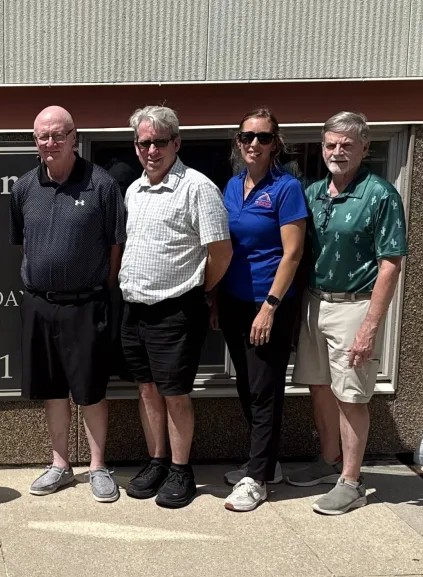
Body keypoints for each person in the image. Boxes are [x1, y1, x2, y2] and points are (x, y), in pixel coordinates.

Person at [288, 112, 408, 515]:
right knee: (319, 386)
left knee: (351, 396)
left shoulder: (381, 194)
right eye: (330, 144)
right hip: (314, 301)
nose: (337, 151)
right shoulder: (314, 192)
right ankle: (329, 461)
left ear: (364, 148)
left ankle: (352, 481)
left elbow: (390, 263)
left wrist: (370, 327)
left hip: (355, 305)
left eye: (346, 144)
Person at [9, 105, 127, 501]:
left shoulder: (101, 184)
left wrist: (100, 289)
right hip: (41, 304)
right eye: (43, 136)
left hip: (86, 304)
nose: (50, 143)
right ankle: (60, 464)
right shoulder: (24, 187)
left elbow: (116, 247)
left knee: (90, 390)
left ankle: (98, 466)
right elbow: (23, 245)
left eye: (58, 135)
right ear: (35, 140)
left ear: (74, 137)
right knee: (53, 389)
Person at [119, 105, 233, 508]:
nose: (152, 150)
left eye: (160, 142)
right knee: (147, 390)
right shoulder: (135, 190)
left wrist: (199, 289)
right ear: (136, 147)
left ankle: (182, 470)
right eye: (144, 142)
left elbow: (220, 251)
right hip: (135, 309)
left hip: (176, 310)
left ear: (176, 143)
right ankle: (157, 461)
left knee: (175, 393)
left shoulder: (197, 188)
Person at [215, 108, 308, 512]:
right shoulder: (231, 187)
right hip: (234, 302)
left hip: (268, 304)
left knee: (265, 390)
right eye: (247, 136)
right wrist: (216, 298)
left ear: (276, 144)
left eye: (264, 137)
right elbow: (223, 248)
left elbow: (293, 254)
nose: (254, 143)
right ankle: (264, 465)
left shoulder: (287, 189)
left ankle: (257, 479)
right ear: (238, 142)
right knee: (247, 387)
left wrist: (269, 307)